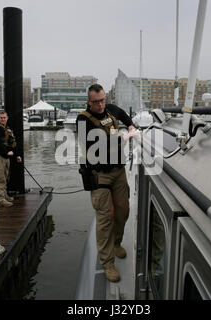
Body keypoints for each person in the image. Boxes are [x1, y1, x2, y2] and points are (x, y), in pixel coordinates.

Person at [76, 84, 136, 282]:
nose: (101, 105)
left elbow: (124, 115)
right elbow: (96, 146)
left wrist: (131, 125)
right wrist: (123, 139)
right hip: (99, 174)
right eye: (96, 102)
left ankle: (117, 242)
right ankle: (107, 263)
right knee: (104, 219)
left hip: (118, 171)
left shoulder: (111, 109)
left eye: (103, 100)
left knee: (123, 210)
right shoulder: (83, 119)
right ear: (88, 101)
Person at [0, 110, 22, 208]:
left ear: (7, 118)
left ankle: (4, 195)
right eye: (1, 118)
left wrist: (17, 155)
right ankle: (0, 200)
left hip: (6, 157)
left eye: (4, 117)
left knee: (5, 177)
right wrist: (6, 152)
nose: (3, 119)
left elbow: (13, 143)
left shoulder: (7, 129)